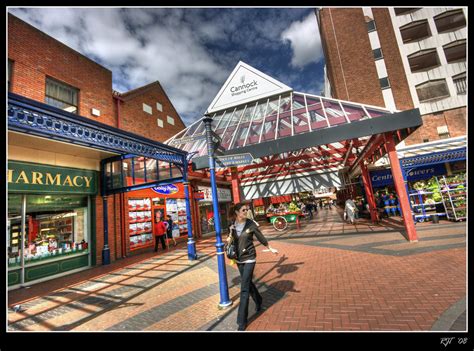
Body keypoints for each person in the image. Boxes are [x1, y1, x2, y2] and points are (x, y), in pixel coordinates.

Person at [226, 203, 279, 331]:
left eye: (247, 209)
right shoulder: (232, 225)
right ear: (237, 212)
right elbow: (231, 239)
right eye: (243, 210)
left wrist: (269, 247)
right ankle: (259, 300)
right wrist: (229, 238)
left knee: (244, 288)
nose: (246, 211)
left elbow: (260, 236)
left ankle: (241, 321)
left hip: (249, 258)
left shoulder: (251, 224)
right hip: (238, 259)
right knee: (248, 283)